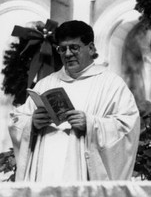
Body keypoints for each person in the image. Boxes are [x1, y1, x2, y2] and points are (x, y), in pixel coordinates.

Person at [9, 20, 140, 181]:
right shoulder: (45, 84)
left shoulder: (111, 84)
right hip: (45, 173)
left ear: (91, 48)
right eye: (62, 49)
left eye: (74, 47)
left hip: (83, 175)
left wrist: (91, 124)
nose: (68, 54)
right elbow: (17, 121)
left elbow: (128, 126)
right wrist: (32, 123)